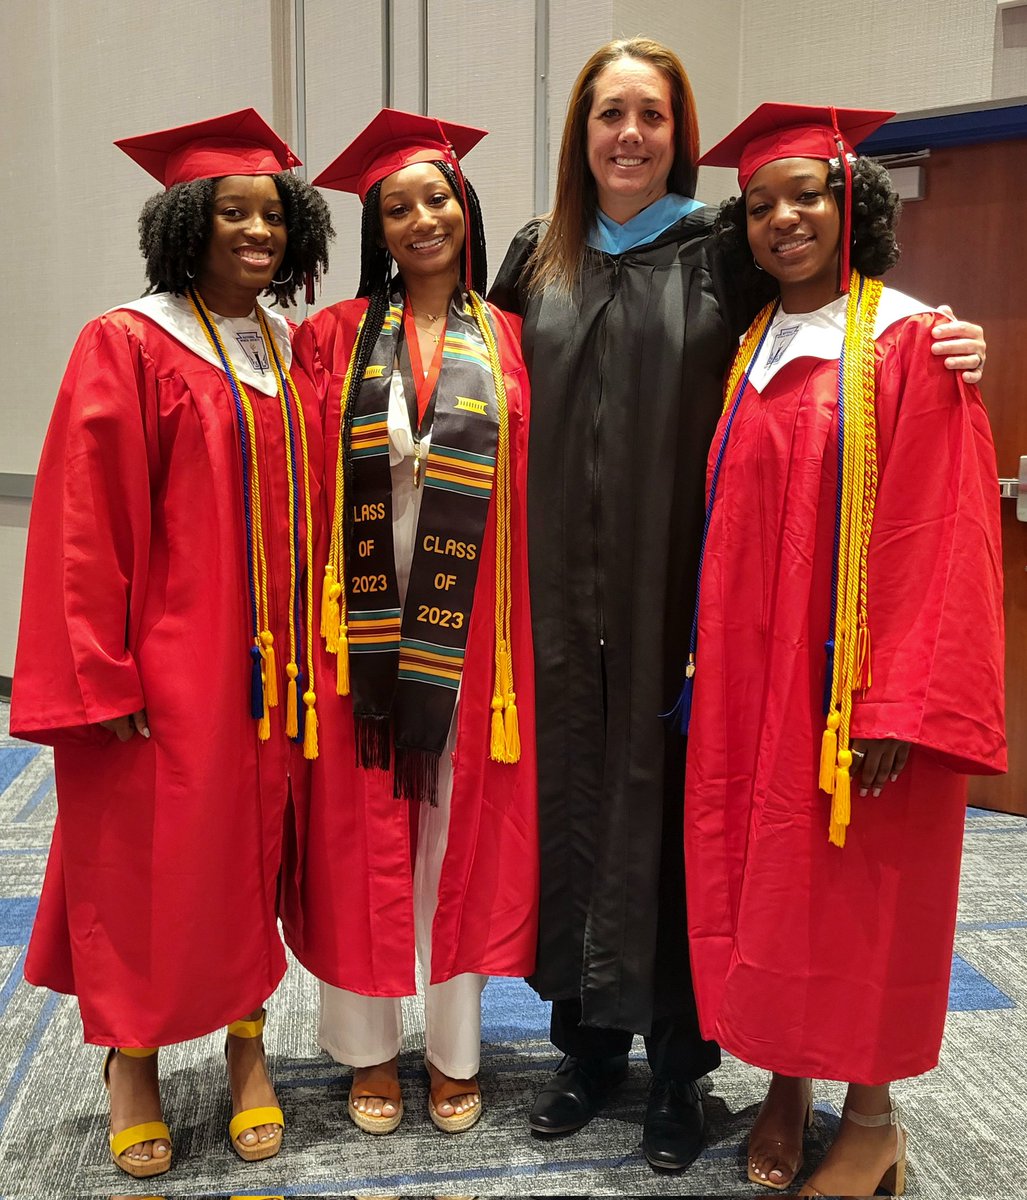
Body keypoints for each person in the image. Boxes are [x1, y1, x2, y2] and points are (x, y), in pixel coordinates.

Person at [488, 36, 989, 1173]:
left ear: (679, 135)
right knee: (574, 816)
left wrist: (950, 338)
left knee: (676, 825)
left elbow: (847, 313)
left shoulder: (719, 252)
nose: (628, 134)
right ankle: (584, 1048)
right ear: (580, 131)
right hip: (562, 599)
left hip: (691, 595)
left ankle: (679, 1068)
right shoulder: (537, 255)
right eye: (608, 113)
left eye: (652, 116)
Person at [683, 102, 1006, 1197]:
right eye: (762, 204)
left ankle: (872, 1121)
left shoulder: (911, 338)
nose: (783, 220)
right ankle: (790, 1080)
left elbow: (942, 538)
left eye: (804, 197)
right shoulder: (753, 345)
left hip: (855, 692)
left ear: (849, 204)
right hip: (756, 680)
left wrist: (894, 707)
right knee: (777, 884)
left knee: (860, 891)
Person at [10, 109, 334, 1177]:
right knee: (145, 861)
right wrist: (98, 669)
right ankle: (132, 1060)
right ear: (185, 224)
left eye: (274, 215)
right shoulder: (129, 339)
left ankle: (247, 1046)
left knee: (253, 853)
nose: (258, 231)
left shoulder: (279, 348)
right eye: (232, 212)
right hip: (170, 661)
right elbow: (80, 522)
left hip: (275, 670)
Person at [281, 109, 536, 1136]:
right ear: (375, 227)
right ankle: (367, 1051)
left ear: (465, 210)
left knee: (452, 840)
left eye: (436, 198)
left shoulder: (513, 337)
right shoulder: (328, 340)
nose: (420, 218)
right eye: (397, 206)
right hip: (364, 632)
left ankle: (454, 1052)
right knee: (362, 839)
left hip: (479, 640)